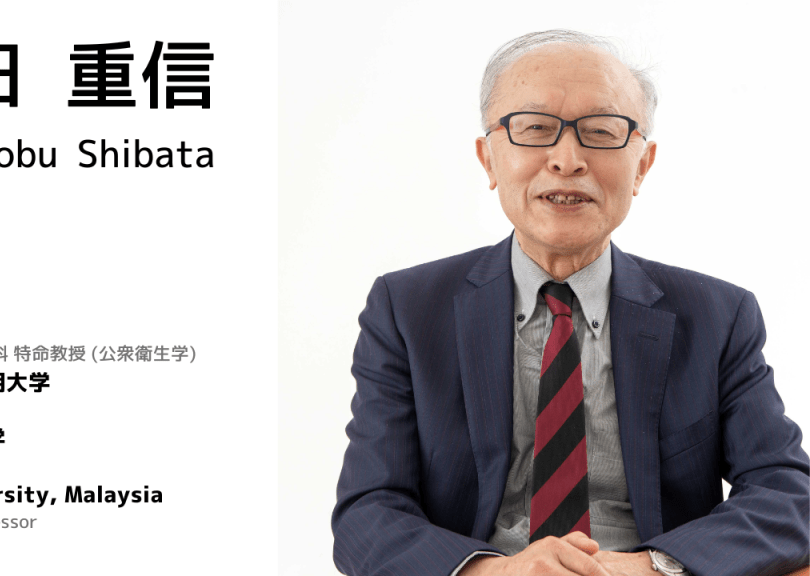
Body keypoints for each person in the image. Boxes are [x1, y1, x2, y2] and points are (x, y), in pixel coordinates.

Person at [332, 30, 809, 576]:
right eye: (534, 128)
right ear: (488, 159)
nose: (566, 159)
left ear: (643, 166)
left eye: (601, 132)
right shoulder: (408, 309)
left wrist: (650, 568)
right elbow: (367, 513)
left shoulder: (718, 316)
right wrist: (498, 572)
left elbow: (789, 493)